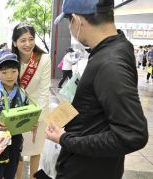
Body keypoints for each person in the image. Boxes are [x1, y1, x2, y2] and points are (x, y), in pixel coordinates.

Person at [45, 0, 148, 179]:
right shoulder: (116, 47)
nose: (70, 27)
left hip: (86, 171)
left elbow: (132, 134)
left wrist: (65, 139)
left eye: (69, 22)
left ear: (76, 20)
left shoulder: (110, 63)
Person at [12, 23, 51, 179]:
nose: (27, 44)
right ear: (15, 42)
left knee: (35, 149)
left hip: (39, 110)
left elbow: (44, 92)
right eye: (22, 40)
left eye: (31, 39)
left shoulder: (44, 59)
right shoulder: (11, 59)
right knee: (17, 150)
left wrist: (35, 117)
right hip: (17, 111)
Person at [0, 50, 29, 179]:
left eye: (13, 71)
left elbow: (26, 115)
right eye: (4, 72)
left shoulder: (22, 94)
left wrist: (31, 123)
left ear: (18, 71)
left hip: (15, 141)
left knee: (10, 174)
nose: (10, 76)